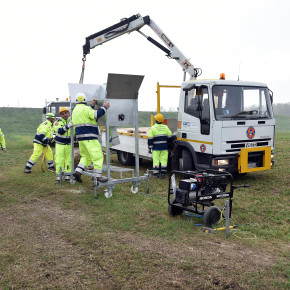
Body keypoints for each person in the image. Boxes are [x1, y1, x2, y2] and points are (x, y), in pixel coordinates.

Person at [72, 92, 110, 183]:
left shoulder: (75, 111)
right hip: (90, 137)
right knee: (98, 156)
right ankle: (97, 176)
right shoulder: (86, 108)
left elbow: (86, 116)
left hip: (81, 138)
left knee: (86, 156)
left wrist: (92, 106)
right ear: (85, 100)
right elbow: (95, 115)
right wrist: (105, 107)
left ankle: (78, 171)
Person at [148, 113, 175, 178]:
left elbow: (150, 139)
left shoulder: (153, 128)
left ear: (156, 120)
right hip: (164, 148)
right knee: (164, 161)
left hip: (156, 148)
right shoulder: (165, 127)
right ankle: (163, 174)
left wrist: (150, 147)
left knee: (156, 161)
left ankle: (156, 174)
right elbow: (171, 137)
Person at [54, 107, 73, 184]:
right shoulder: (57, 122)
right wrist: (68, 126)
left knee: (69, 160)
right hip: (60, 145)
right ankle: (58, 178)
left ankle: (67, 177)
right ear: (60, 115)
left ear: (68, 113)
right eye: (62, 113)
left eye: (65, 113)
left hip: (69, 144)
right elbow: (60, 131)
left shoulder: (72, 121)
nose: (64, 114)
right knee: (59, 161)